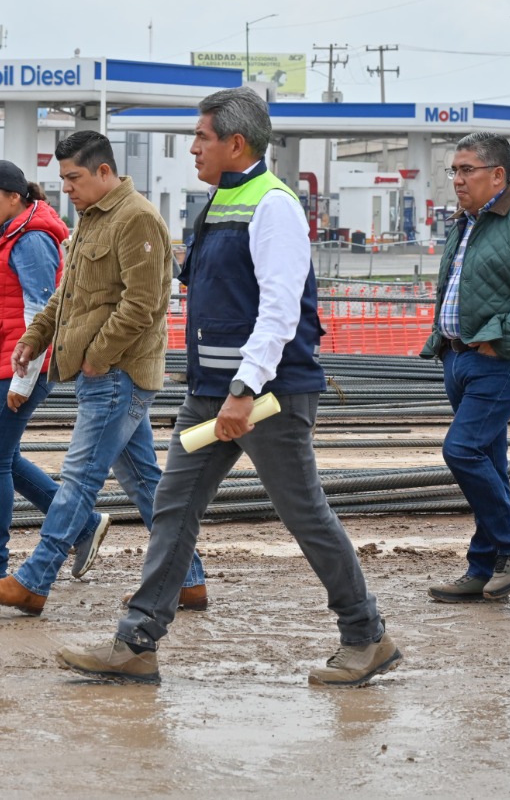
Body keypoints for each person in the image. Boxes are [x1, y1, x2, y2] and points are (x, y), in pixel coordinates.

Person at [56, 89, 400, 687]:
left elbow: (279, 311)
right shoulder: (221, 200)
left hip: (266, 397)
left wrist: (244, 391)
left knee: (304, 514)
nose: (192, 147)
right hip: (210, 393)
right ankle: (136, 642)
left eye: (202, 137)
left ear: (235, 143)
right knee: (173, 508)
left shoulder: (274, 205)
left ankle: (366, 635)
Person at [0, 131, 206, 615]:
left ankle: (34, 581)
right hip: (103, 373)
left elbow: (144, 303)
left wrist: (98, 355)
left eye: (73, 177)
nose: (66, 188)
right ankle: (187, 579)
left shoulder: (137, 218)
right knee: (144, 481)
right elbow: (68, 294)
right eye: (63, 178)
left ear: (103, 171)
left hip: (117, 373)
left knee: (79, 479)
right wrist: (35, 337)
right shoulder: (94, 218)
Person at [0, 160, 104, 591]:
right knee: (2, 458)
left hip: (21, 365)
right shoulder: (5, 233)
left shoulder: (31, 240)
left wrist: (23, 381)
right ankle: (83, 525)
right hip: (4, 362)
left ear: (14, 197)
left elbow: (41, 313)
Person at [421, 132, 510, 604]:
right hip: (458, 357)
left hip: (501, 360)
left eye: (467, 170)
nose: (457, 180)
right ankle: (483, 568)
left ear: (498, 174)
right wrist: (446, 345)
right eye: (454, 170)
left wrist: (498, 339)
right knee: (490, 465)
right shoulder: (464, 223)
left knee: (461, 451)